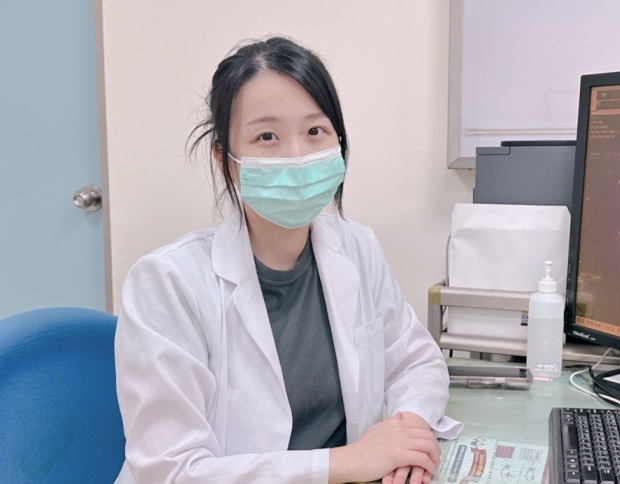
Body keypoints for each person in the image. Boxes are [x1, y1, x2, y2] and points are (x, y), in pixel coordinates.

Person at [113, 36, 462, 484]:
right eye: (267, 136)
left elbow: (415, 361)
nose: (297, 156)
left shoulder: (357, 247)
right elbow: (172, 472)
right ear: (225, 160)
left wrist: (406, 431)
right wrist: (344, 462)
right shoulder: (167, 283)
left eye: (315, 131)